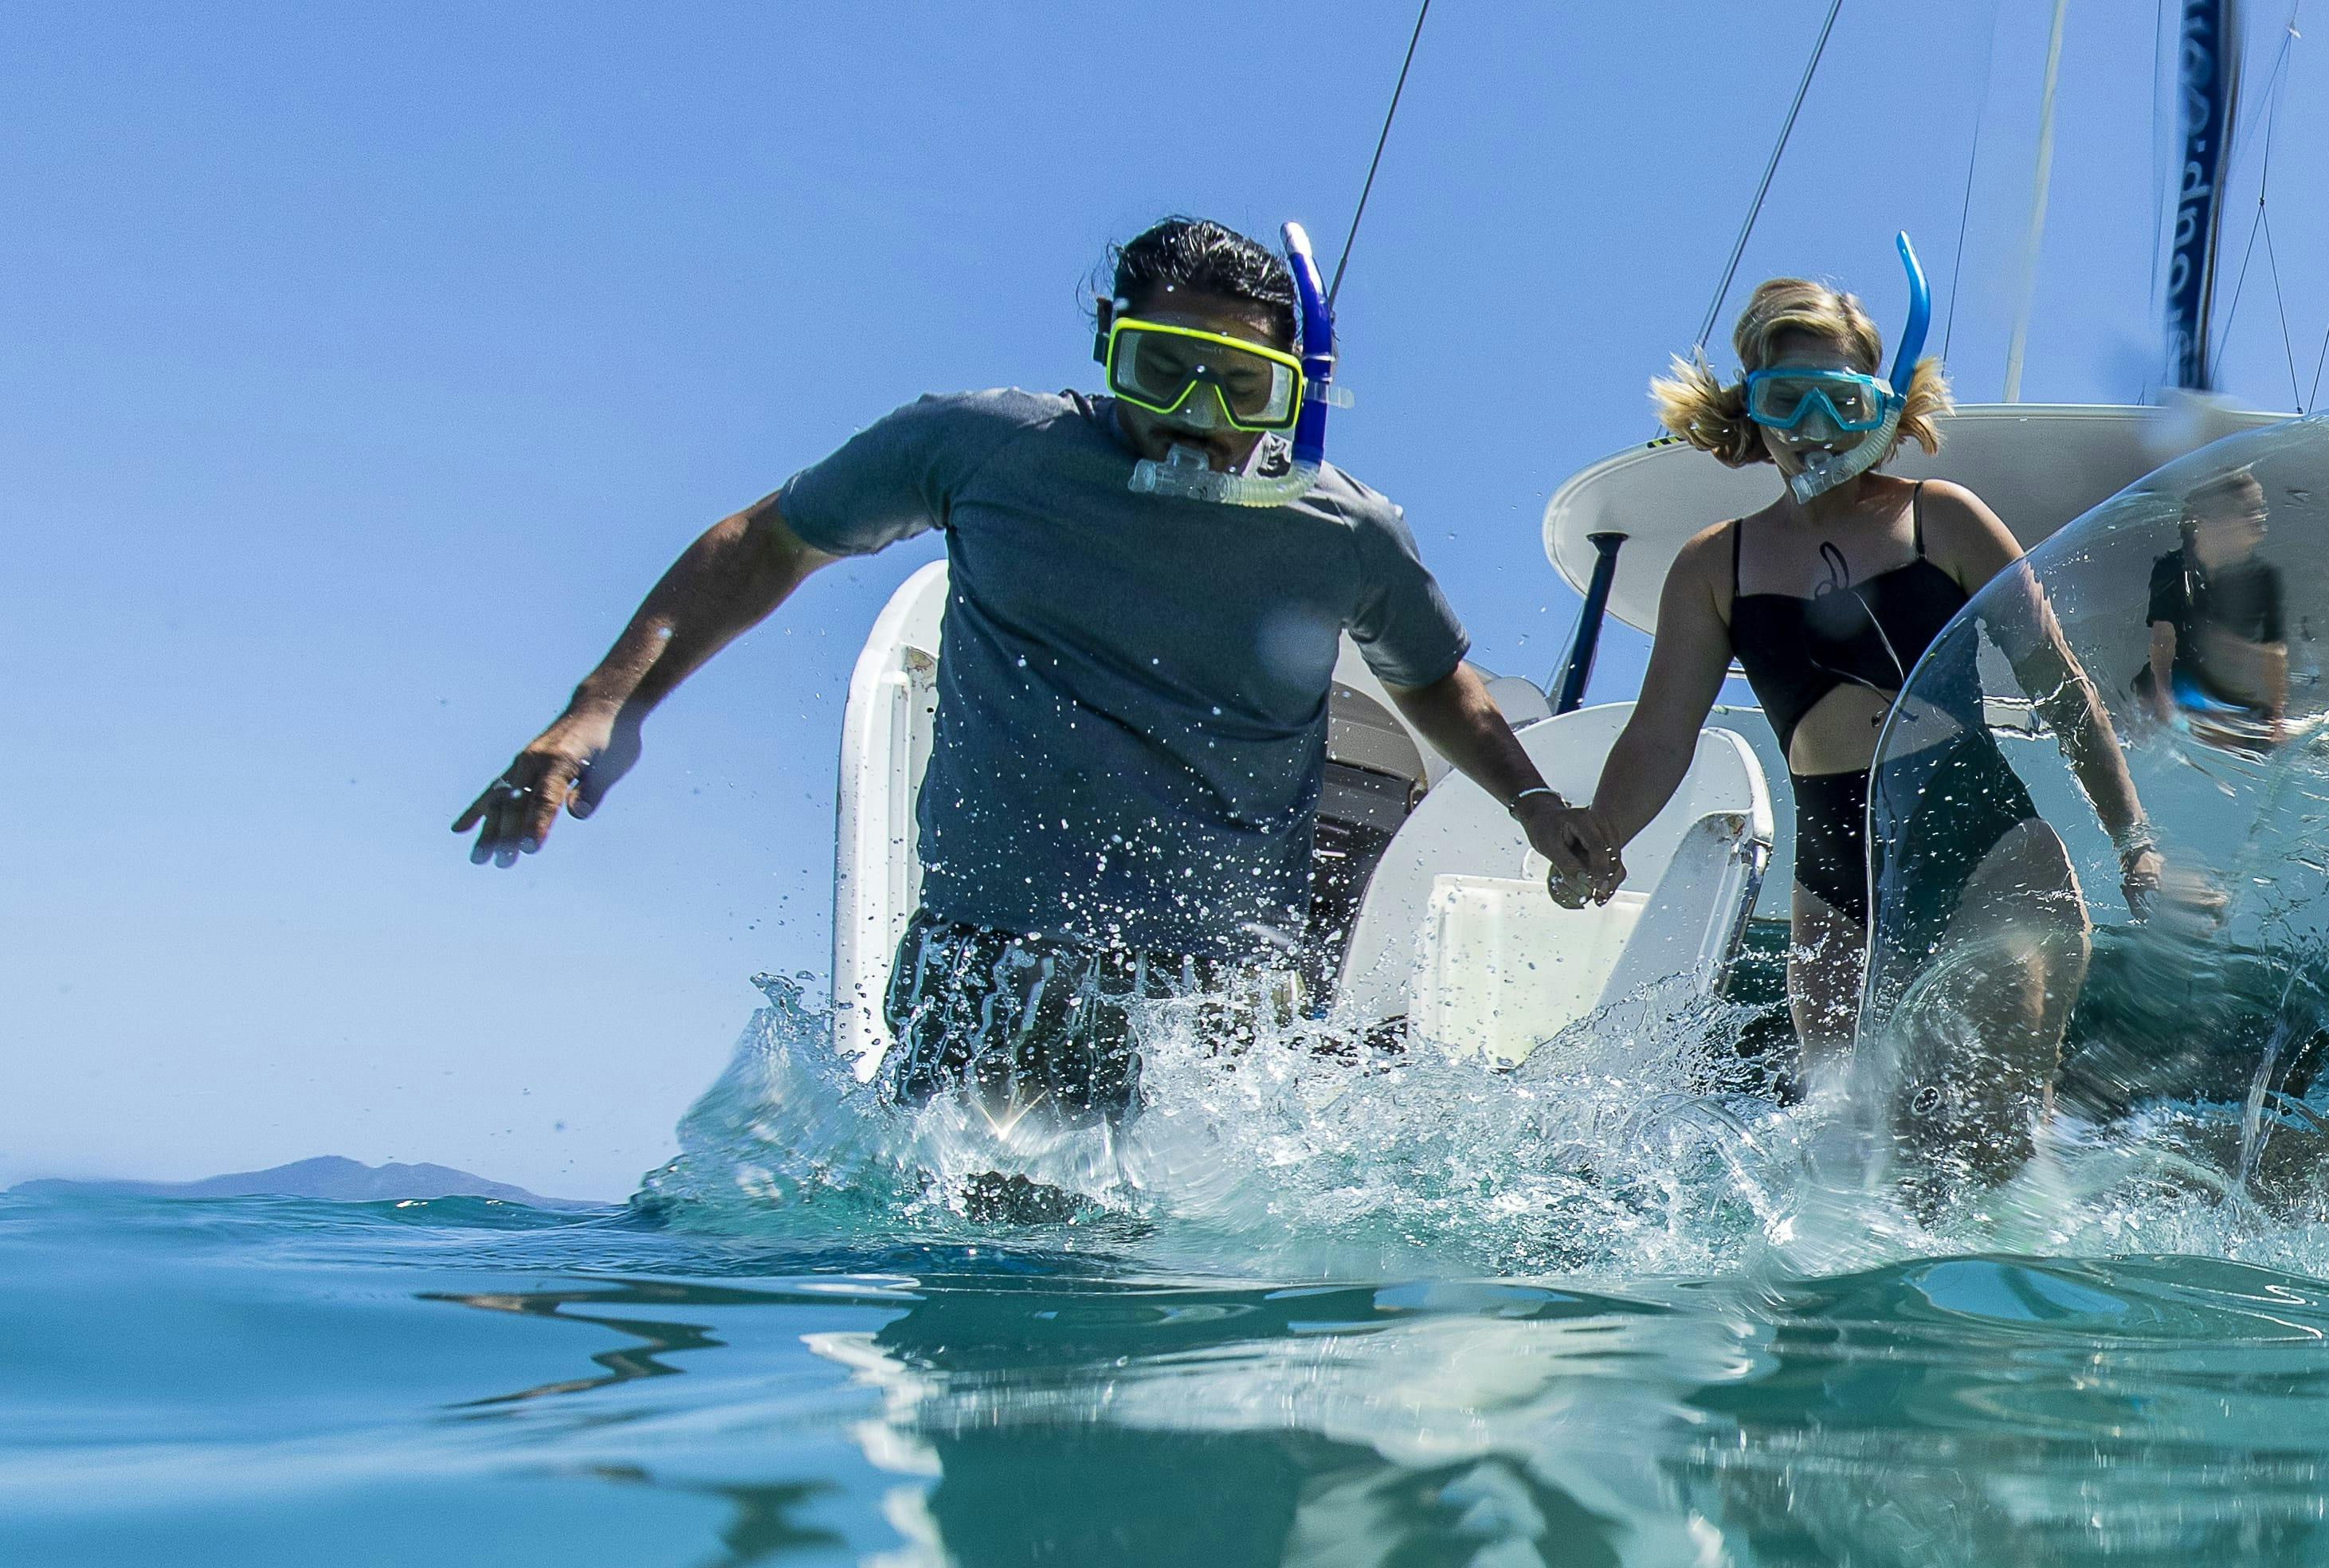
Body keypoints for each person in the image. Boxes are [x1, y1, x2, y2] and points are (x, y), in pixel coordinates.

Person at [453, 215, 1600, 1137]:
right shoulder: (989, 451)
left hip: (1220, 993)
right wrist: (602, 709)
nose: (1195, 422)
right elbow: (768, 542)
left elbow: (1435, 679)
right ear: (1110, 345)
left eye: (1238, 389)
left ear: (1296, 388)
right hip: (990, 959)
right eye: (1163, 371)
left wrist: (1536, 806)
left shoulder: (1342, 530)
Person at [1570, 271, 2167, 1170]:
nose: (1814, 428)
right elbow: (1660, 734)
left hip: (1987, 846)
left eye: (1842, 401)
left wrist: (2135, 840)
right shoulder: (1711, 567)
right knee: (1857, 1153)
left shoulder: (1946, 520)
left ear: (1880, 407)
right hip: (1833, 877)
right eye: (1787, 399)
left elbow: (2063, 686)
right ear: (1752, 410)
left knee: (1993, 1136)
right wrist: (1605, 832)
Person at [2140, 472, 2291, 729]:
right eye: (2248, 511)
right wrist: (2163, 694)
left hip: (2230, 690)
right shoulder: (2173, 569)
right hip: (2183, 684)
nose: (2260, 517)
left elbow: (2274, 654)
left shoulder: (2263, 577)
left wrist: (2277, 716)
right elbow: (2163, 640)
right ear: (2217, 521)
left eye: (2261, 508)